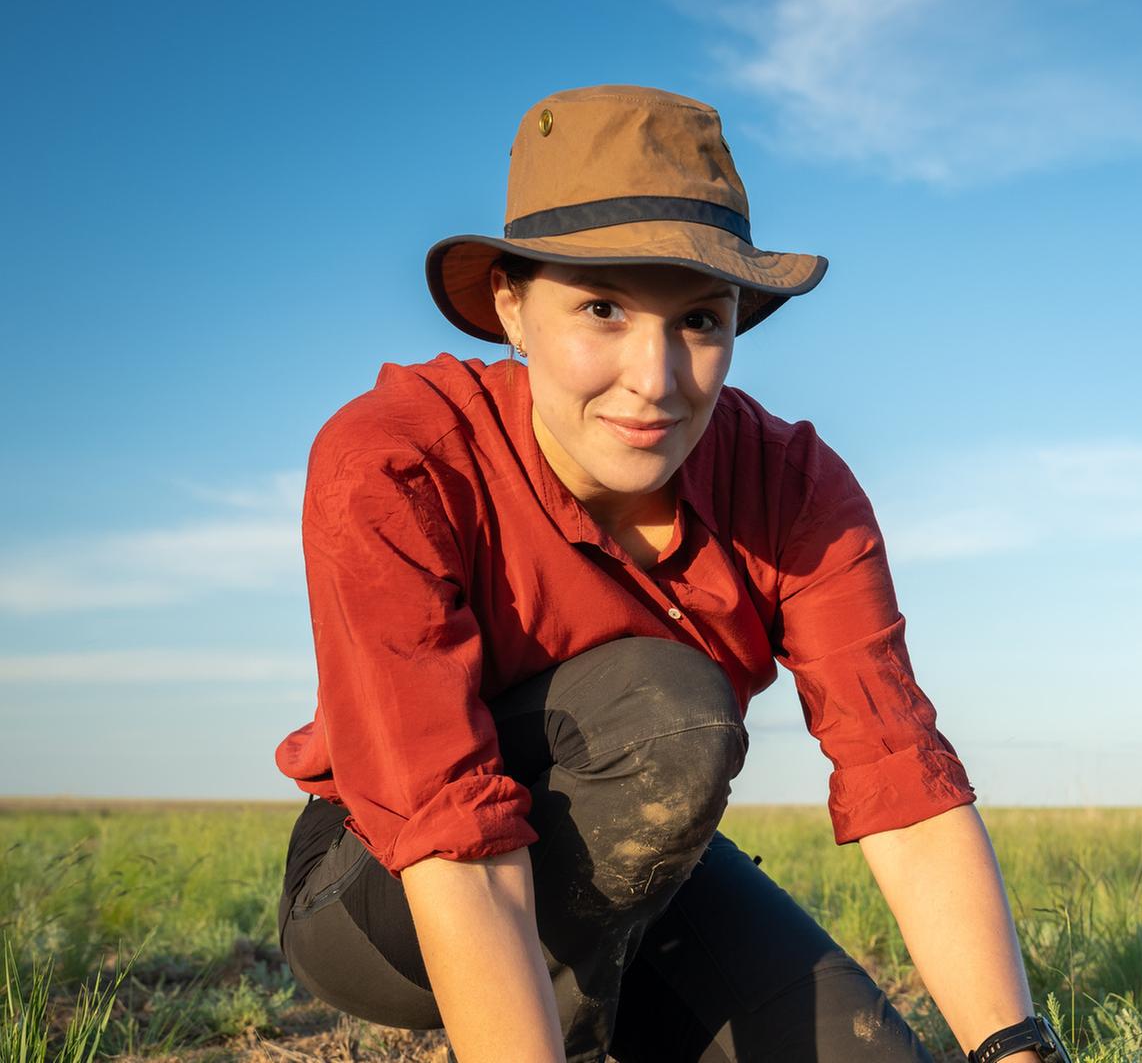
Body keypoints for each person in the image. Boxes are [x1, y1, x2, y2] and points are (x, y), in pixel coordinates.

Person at [270, 86, 1069, 1063]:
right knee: (666, 711)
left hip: (639, 879)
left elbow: (904, 785)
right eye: (601, 308)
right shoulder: (397, 460)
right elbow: (449, 838)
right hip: (379, 889)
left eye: (698, 319)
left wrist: (1015, 1051)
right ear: (512, 307)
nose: (655, 378)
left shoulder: (794, 488)